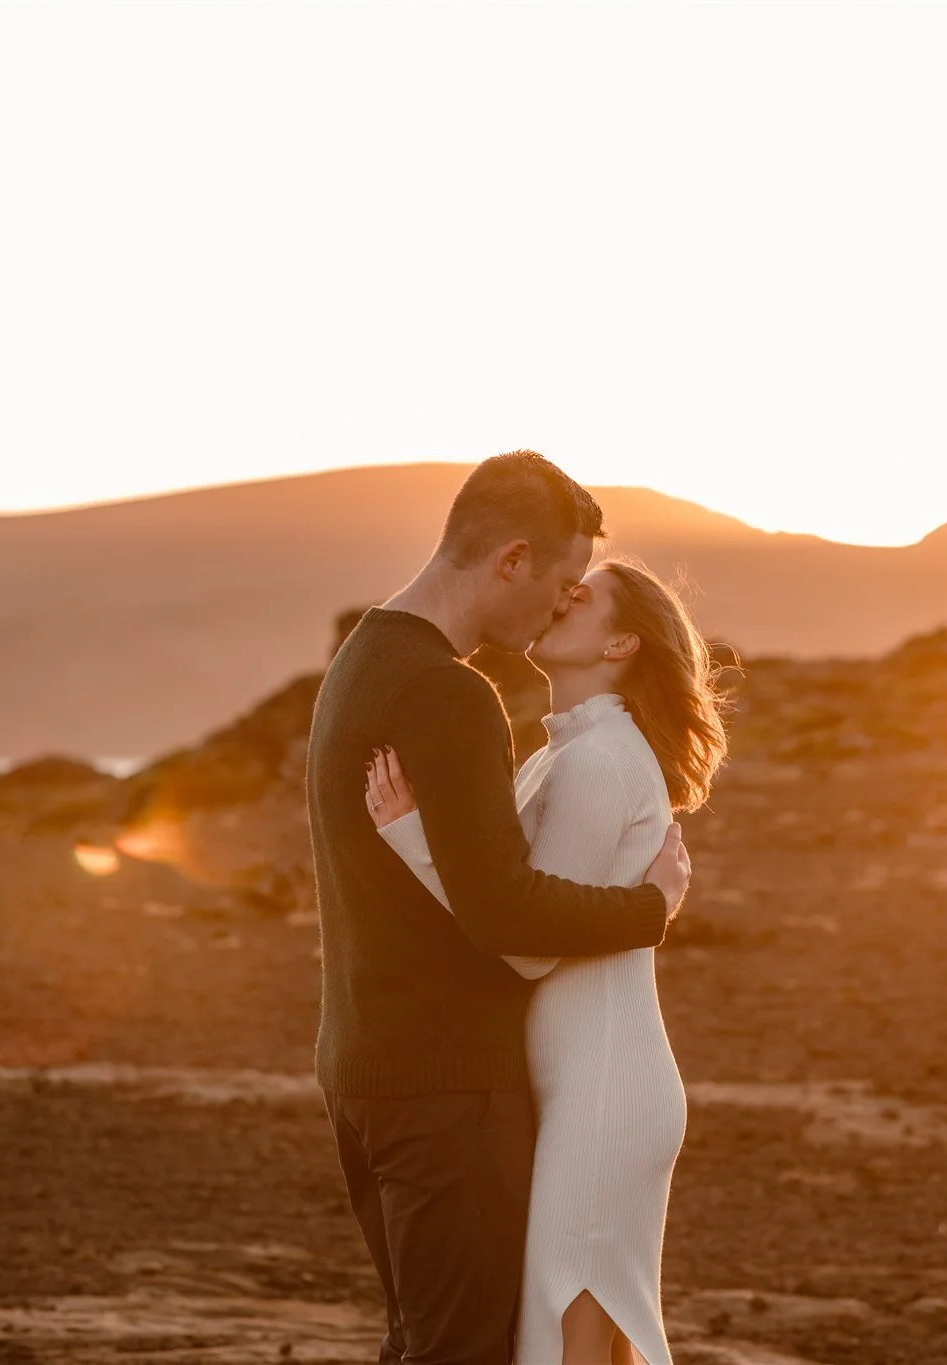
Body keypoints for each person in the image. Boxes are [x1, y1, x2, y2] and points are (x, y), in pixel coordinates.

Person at [304, 451, 694, 1365]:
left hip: (367, 1068)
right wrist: (650, 909)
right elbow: (507, 913)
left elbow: (483, 891)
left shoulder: (361, 660)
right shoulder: (448, 691)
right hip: (445, 1086)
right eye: (560, 583)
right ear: (511, 560)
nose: (556, 607)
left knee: (436, 1344)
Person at [366, 556, 732, 1365]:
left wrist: (410, 838)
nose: (564, 597)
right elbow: (515, 901)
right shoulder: (565, 753)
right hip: (590, 1085)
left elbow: (528, 946)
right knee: (592, 1348)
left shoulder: (600, 761)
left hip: (604, 1092)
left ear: (622, 644)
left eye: (585, 594)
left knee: (565, 1342)